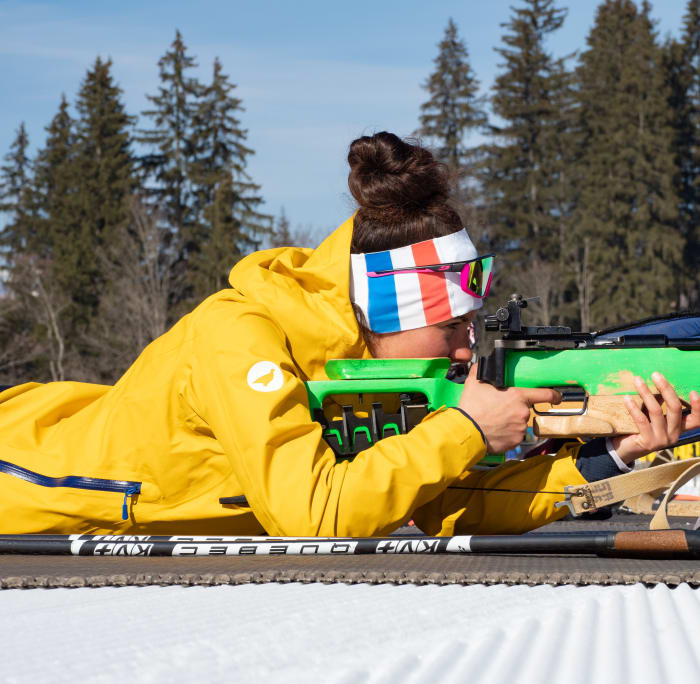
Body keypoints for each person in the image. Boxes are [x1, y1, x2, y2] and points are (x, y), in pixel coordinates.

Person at [0, 132, 697, 536]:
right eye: (449, 325)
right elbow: (312, 515)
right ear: (383, 313)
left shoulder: (377, 373)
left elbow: (450, 504)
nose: (465, 348)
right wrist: (463, 431)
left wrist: (614, 458)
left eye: (471, 326)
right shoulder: (237, 335)